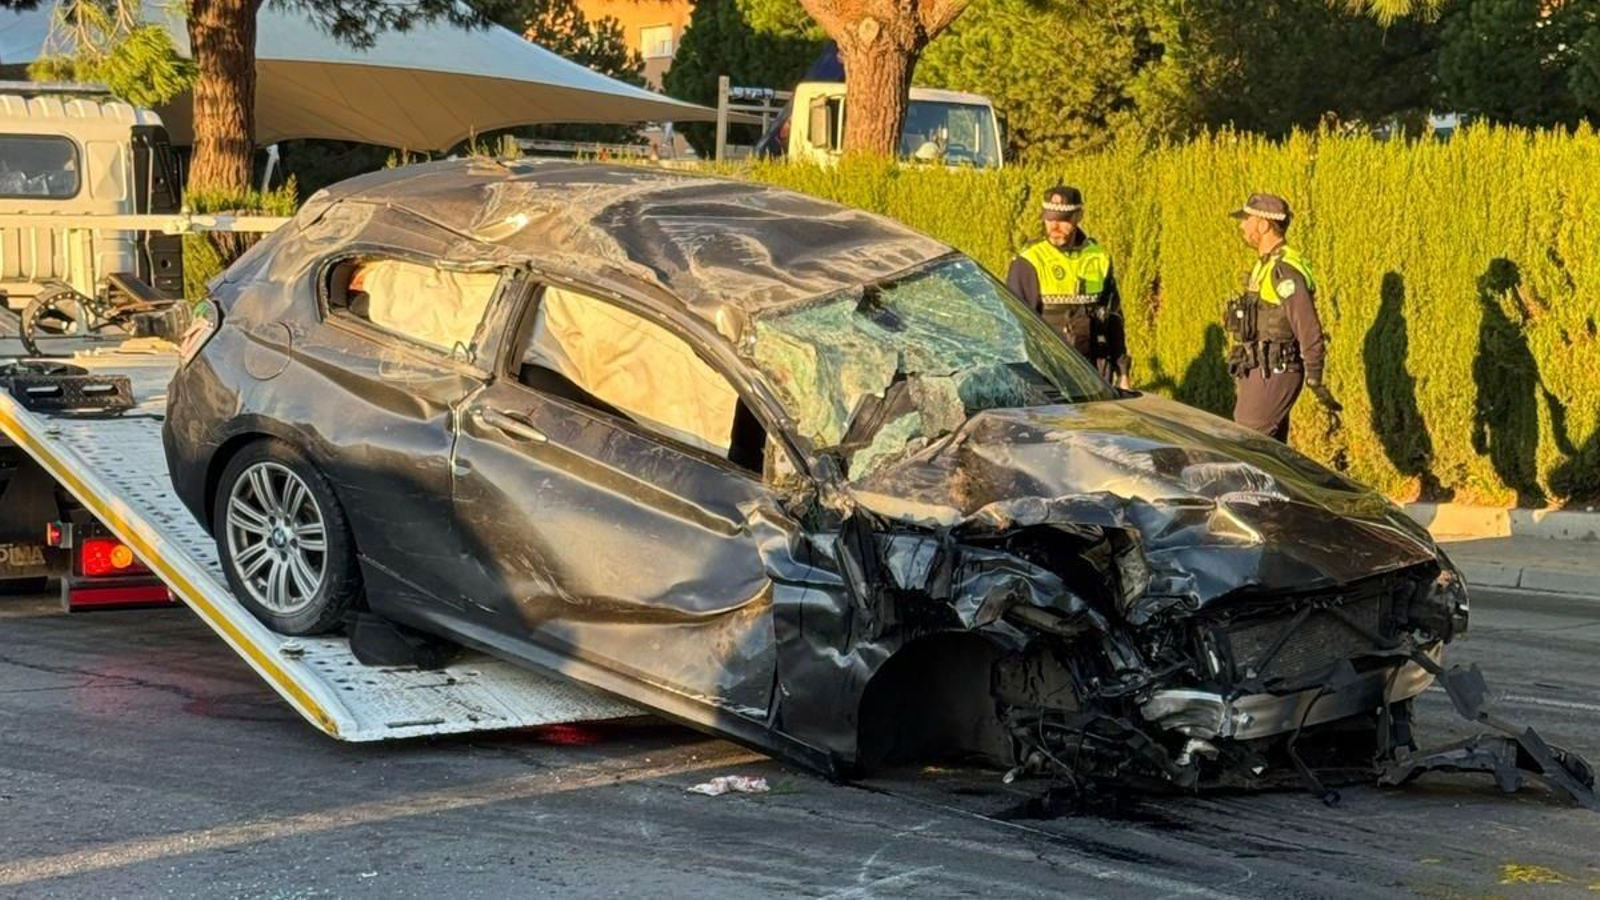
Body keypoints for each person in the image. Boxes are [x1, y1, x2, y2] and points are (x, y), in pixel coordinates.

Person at [1224, 192, 1340, 441]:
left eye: (1247, 219)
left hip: (1275, 370)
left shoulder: (1284, 270)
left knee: (1248, 445)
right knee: (1269, 453)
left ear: (1264, 225)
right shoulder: (1265, 265)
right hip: (1260, 369)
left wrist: (1315, 375)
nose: (1242, 225)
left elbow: (1307, 324)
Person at [1006, 185, 1131, 388]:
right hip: (1048, 375)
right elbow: (1014, 327)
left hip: (1094, 370)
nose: (1054, 226)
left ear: (1079, 216)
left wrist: (1123, 371)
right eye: (1050, 218)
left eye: (1063, 220)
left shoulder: (1099, 257)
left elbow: (1113, 318)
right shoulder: (1029, 262)